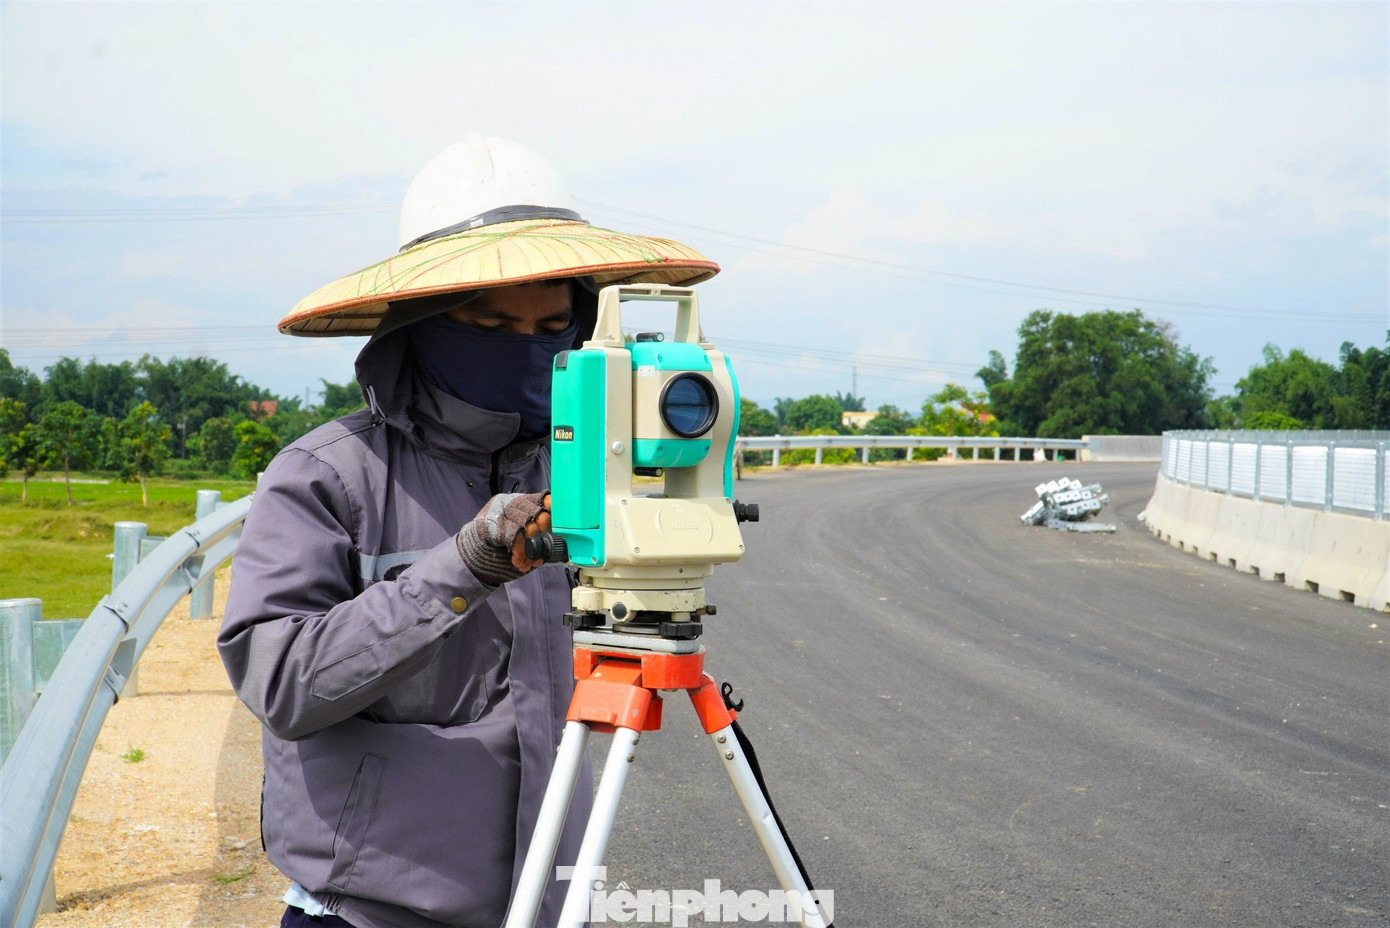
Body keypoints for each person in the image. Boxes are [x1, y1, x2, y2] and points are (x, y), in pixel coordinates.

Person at [218, 133, 719, 928]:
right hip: (366, 909)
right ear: (418, 328)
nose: (525, 349)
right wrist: (465, 566)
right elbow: (281, 684)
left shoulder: (583, 476)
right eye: (488, 326)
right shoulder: (327, 477)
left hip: (547, 896)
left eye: (551, 325)